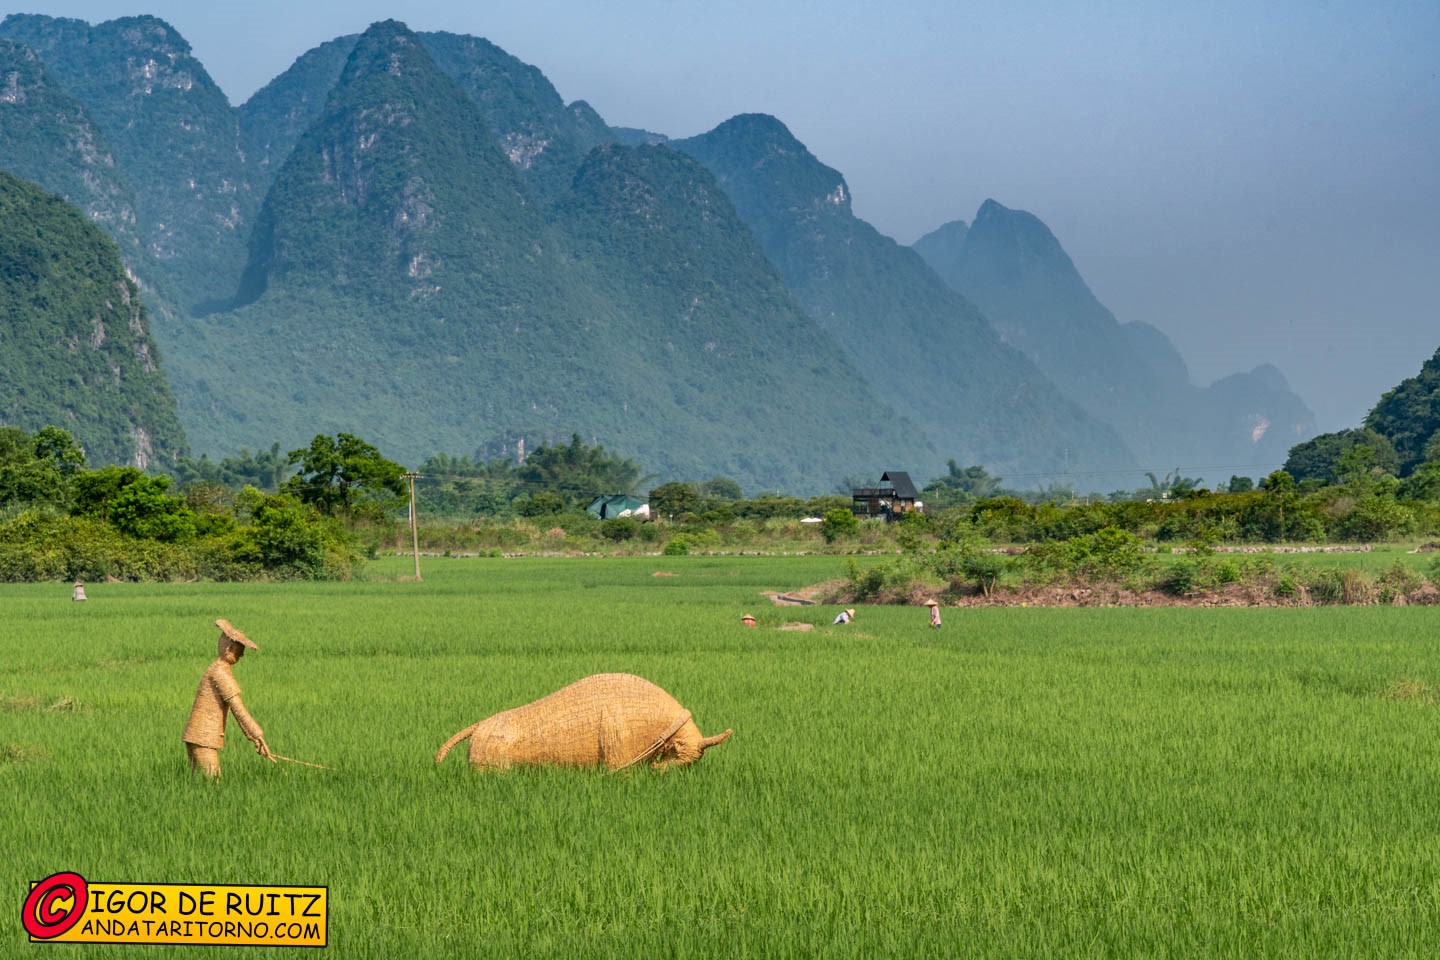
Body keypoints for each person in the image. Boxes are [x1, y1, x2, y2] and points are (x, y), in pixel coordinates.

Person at [182, 619, 272, 778]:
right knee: (213, 782)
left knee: (200, 782)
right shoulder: (220, 673)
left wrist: (253, 737)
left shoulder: (215, 668)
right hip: (204, 738)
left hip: (196, 735)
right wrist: (258, 735)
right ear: (229, 649)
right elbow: (238, 709)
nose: (241, 656)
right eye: (239, 653)